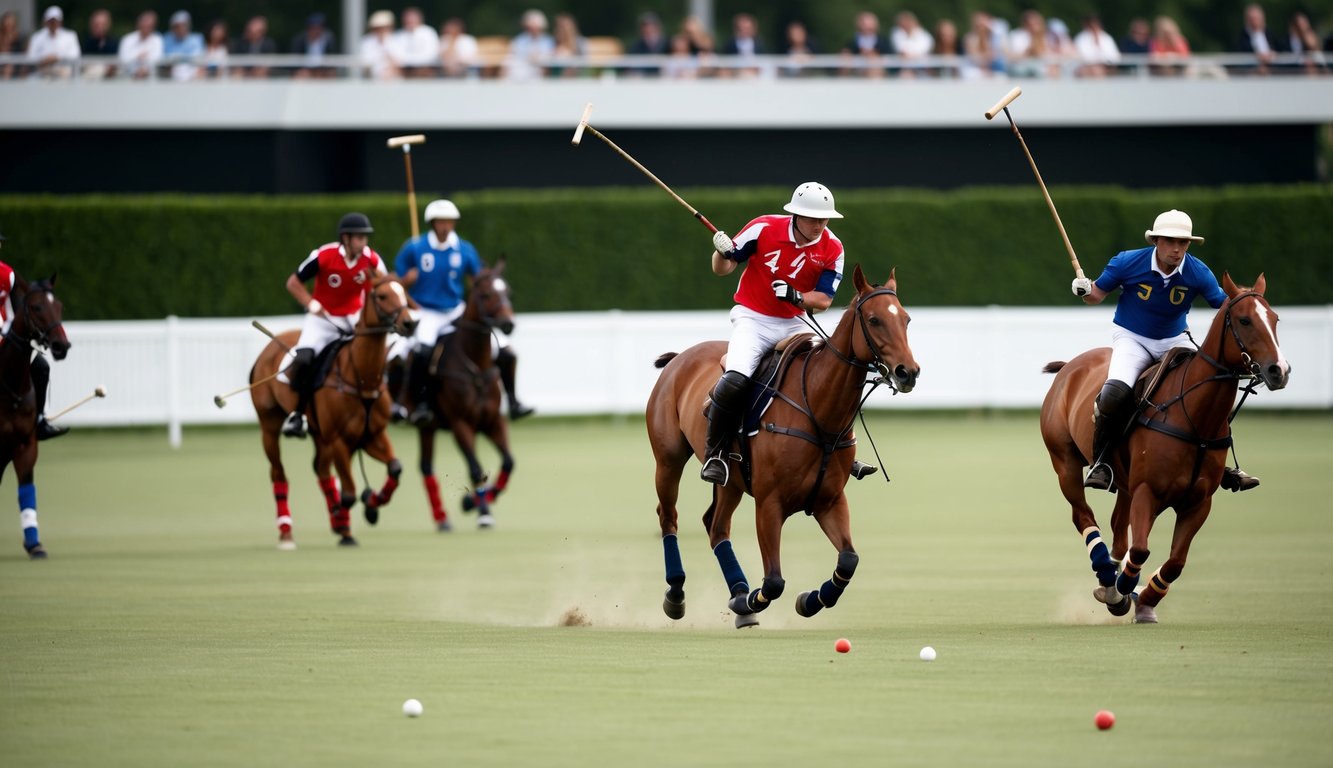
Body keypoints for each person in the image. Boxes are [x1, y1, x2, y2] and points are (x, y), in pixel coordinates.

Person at [1070, 209, 1258, 492]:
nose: (1177, 249)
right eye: (1170, 241)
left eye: (1183, 243)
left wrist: (1248, 301)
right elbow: (1096, 295)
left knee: (1210, 391)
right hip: (1132, 338)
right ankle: (1102, 462)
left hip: (1174, 340)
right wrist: (1084, 290)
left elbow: (1224, 304)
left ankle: (1220, 463)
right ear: (1156, 240)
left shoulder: (1197, 271)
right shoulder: (1127, 262)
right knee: (1114, 395)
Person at [701, 183, 873, 486]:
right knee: (737, 378)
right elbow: (723, 268)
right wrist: (720, 252)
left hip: (795, 322)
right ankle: (715, 452)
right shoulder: (763, 228)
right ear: (795, 215)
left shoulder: (833, 247)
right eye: (813, 219)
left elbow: (823, 300)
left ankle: (841, 449)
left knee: (833, 373)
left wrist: (796, 296)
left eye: (825, 219)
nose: (820, 226)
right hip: (753, 318)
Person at [392, 200, 533, 423]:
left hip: (455, 309)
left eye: (450, 221)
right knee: (423, 352)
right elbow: (396, 282)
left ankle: (514, 402)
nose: (446, 226)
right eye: (441, 221)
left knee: (504, 351)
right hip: (426, 311)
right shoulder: (415, 247)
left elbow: (478, 280)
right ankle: (419, 405)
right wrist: (407, 280)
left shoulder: (465, 249)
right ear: (433, 223)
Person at [279, 213, 385, 439]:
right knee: (305, 359)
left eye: (365, 238)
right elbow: (293, 282)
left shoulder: (372, 260)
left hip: (354, 318)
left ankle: (379, 407)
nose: (364, 243)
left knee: (375, 354)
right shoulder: (324, 256)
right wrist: (310, 303)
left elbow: (382, 286)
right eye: (359, 238)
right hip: (322, 320)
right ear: (345, 238)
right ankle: (298, 415)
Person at [0, 231, 67, 440]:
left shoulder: (7, 275)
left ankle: (39, 420)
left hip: (3, 337)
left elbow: (21, 311)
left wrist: (33, 333)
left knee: (40, 366)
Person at [26, 6, 81, 79]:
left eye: (55, 21)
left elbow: (75, 55)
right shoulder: (37, 37)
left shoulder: (70, 36)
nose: (53, 23)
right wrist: (45, 60)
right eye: (51, 21)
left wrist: (56, 58)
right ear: (46, 21)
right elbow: (31, 56)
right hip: (43, 72)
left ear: (60, 22)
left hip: (64, 74)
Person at [505, 9, 553, 80]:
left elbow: (550, 57)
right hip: (521, 70)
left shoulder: (548, 41)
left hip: (540, 71)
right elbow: (513, 55)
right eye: (530, 28)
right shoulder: (519, 40)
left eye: (535, 28)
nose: (532, 30)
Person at [842, 11, 892, 78]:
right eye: (864, 24)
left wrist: (874, 55)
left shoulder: (883, 41)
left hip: (879, 74)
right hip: (857, 74)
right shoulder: (851, 42)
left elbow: (889, 58)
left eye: (869, 24)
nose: (866, 27)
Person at [1235, 3, 1281, 75]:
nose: (1254, 22)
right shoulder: (1242, 38)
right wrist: (1257, 58)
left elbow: (1279, 49)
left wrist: (1272, 55)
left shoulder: (1270, 34)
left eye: (1256, 18)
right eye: (1252, 19)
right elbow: (1240, 57)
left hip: (1274, 72)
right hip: (1252, 74)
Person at [394, 7, 439, 78]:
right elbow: (396, 55)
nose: (409, 21)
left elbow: (431, 54)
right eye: (407, 19)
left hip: (425, 68)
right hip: (404, 70)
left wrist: (411, 61)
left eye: (412, 19)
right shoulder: (399, 34)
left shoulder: (428, 32)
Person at [118, 10, 162, 79]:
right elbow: (123, 59)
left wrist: (144, 70)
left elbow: (157, 60)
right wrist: (137, 57)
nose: (146, 28)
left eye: (149, 26)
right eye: (144, 24)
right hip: (128, 78)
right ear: (138, 24)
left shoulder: (157, 40)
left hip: (150, 79)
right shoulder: (127, 39)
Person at [290, 12, 337, 79]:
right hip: (306, 70)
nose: (316, 31)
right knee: (301, 75)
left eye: (318, 27)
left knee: (331, 74)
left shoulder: (329, 40)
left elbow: (332, 61)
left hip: (323, 71)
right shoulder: (300, 41)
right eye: (313, 28)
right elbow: (295, 62)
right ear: (308, 28)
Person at [161, 10, 204, 81]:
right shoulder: (167, 39)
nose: (180, 29)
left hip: (192, 76)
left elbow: (197, 60)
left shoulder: (196, 39)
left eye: (182, 25)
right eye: (176, 26)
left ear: (188, 26)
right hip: (171, 76)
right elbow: (165, 59)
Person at [360, 10, 402, 80]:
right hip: (372, 79)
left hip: (395, 79)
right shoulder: (366, 42)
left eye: (384, 27)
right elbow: (366, 62)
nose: (381, 30)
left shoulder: (397, 40)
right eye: (378, 28)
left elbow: (400, 62)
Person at [83, 9, 118, 79]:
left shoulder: (115, 43)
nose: (99, 27)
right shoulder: (86, 44)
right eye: (97, 25)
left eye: (102, 24)